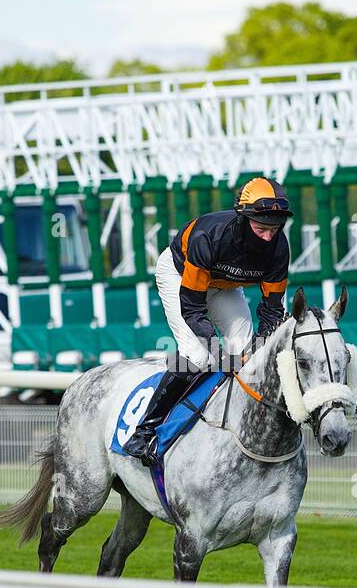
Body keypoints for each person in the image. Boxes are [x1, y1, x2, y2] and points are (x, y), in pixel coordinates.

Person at [121, 177, 292, 466]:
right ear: (243, 218)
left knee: (249, 356)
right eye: (261, 228)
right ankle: (145, 428)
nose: (268, 237)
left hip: (224, 287)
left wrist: (261, 345)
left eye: (274, 229)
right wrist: (213, 344)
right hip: (181, 278)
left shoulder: (279, 248)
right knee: (199, 356)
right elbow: (192, 306)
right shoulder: (209, 235)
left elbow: (272, 309)